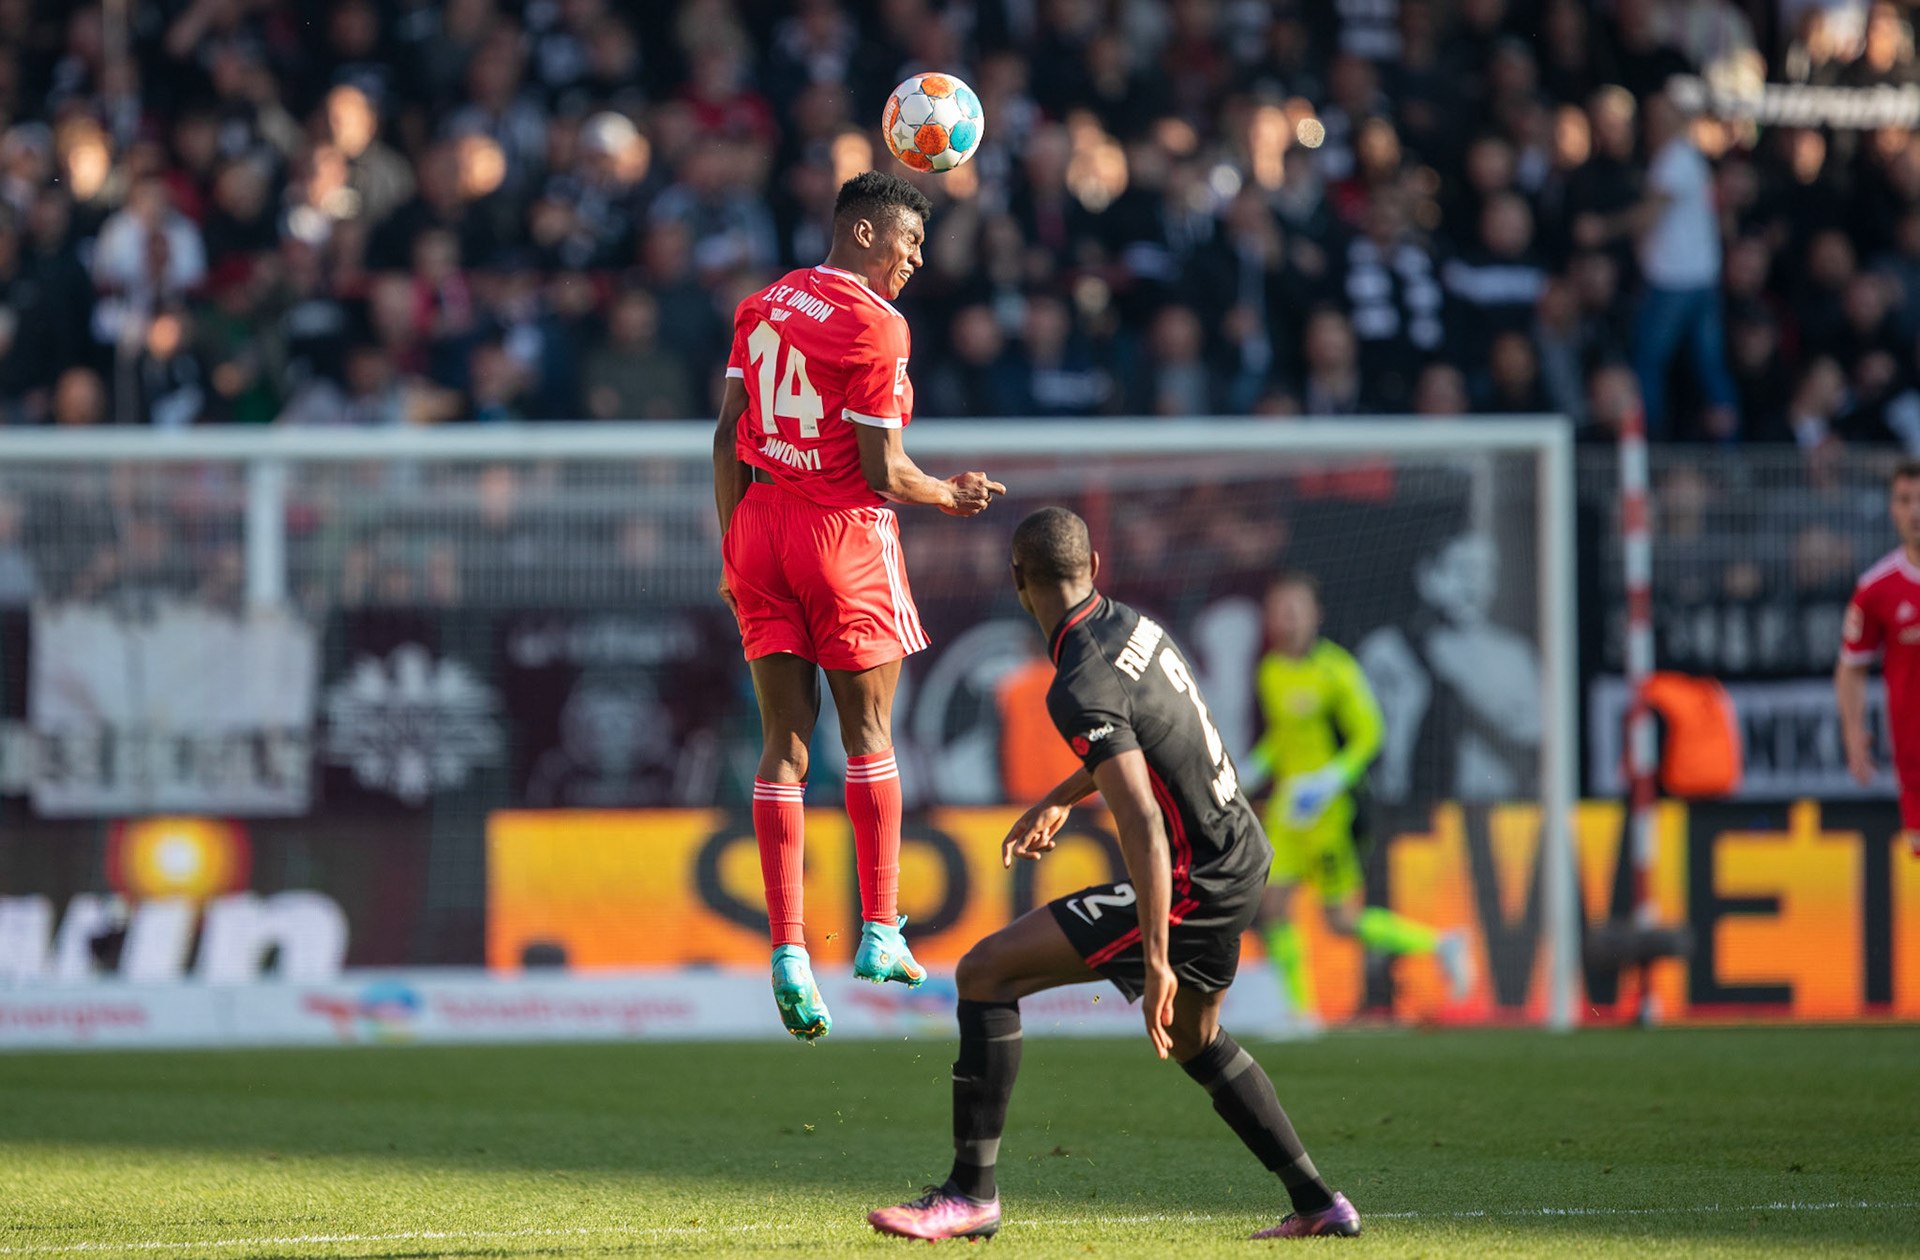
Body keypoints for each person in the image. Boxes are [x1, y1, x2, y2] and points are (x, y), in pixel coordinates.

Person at [867, 508, 1360, 1242]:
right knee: (1195, 1037)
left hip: (1193, 874)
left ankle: (971, 1195)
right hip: (1242, 853)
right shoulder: (1135, 625)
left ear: (1016, 579)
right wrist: (1060, 797)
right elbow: (1150, 740)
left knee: (986, 972)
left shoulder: (1076, 680)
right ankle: (1320, 1203)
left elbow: (1143, 823)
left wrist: (1158, 958)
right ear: (1094, 563)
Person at [711, 170, 1005, 1041]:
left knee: (782, 746)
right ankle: (880, 930)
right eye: (910, 243)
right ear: (867, 233)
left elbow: (727, 431)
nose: (916, 260)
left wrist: (733, 542)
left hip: (760, 525)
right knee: (869, 735)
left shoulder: (761, 302)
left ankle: (789, 949)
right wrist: (949, 495)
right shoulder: (878, 325)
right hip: (841, 535)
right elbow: (885, 473)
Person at [1245, 573, 1473, 1025]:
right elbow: (1282, 737)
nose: (1287, 619)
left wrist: (1331, 778)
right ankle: (1299, 1012)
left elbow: (1370, 735)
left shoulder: (1337, 670)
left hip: (1331, 813)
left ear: (1316, 615)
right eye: (1279, 610)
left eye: (1296, 609)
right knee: (1271, 907)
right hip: (1288, 814)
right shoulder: (1269, 671)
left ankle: (1441, 944)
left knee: (1341, 920)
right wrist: (1256, 764)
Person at [1837, 460, 1920, 855]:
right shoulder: (1876, 589)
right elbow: (1851, 668)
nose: (1916, 512)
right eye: (1906, 501)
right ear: (1893, 509)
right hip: (1914, 758)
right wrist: (1853, 733)